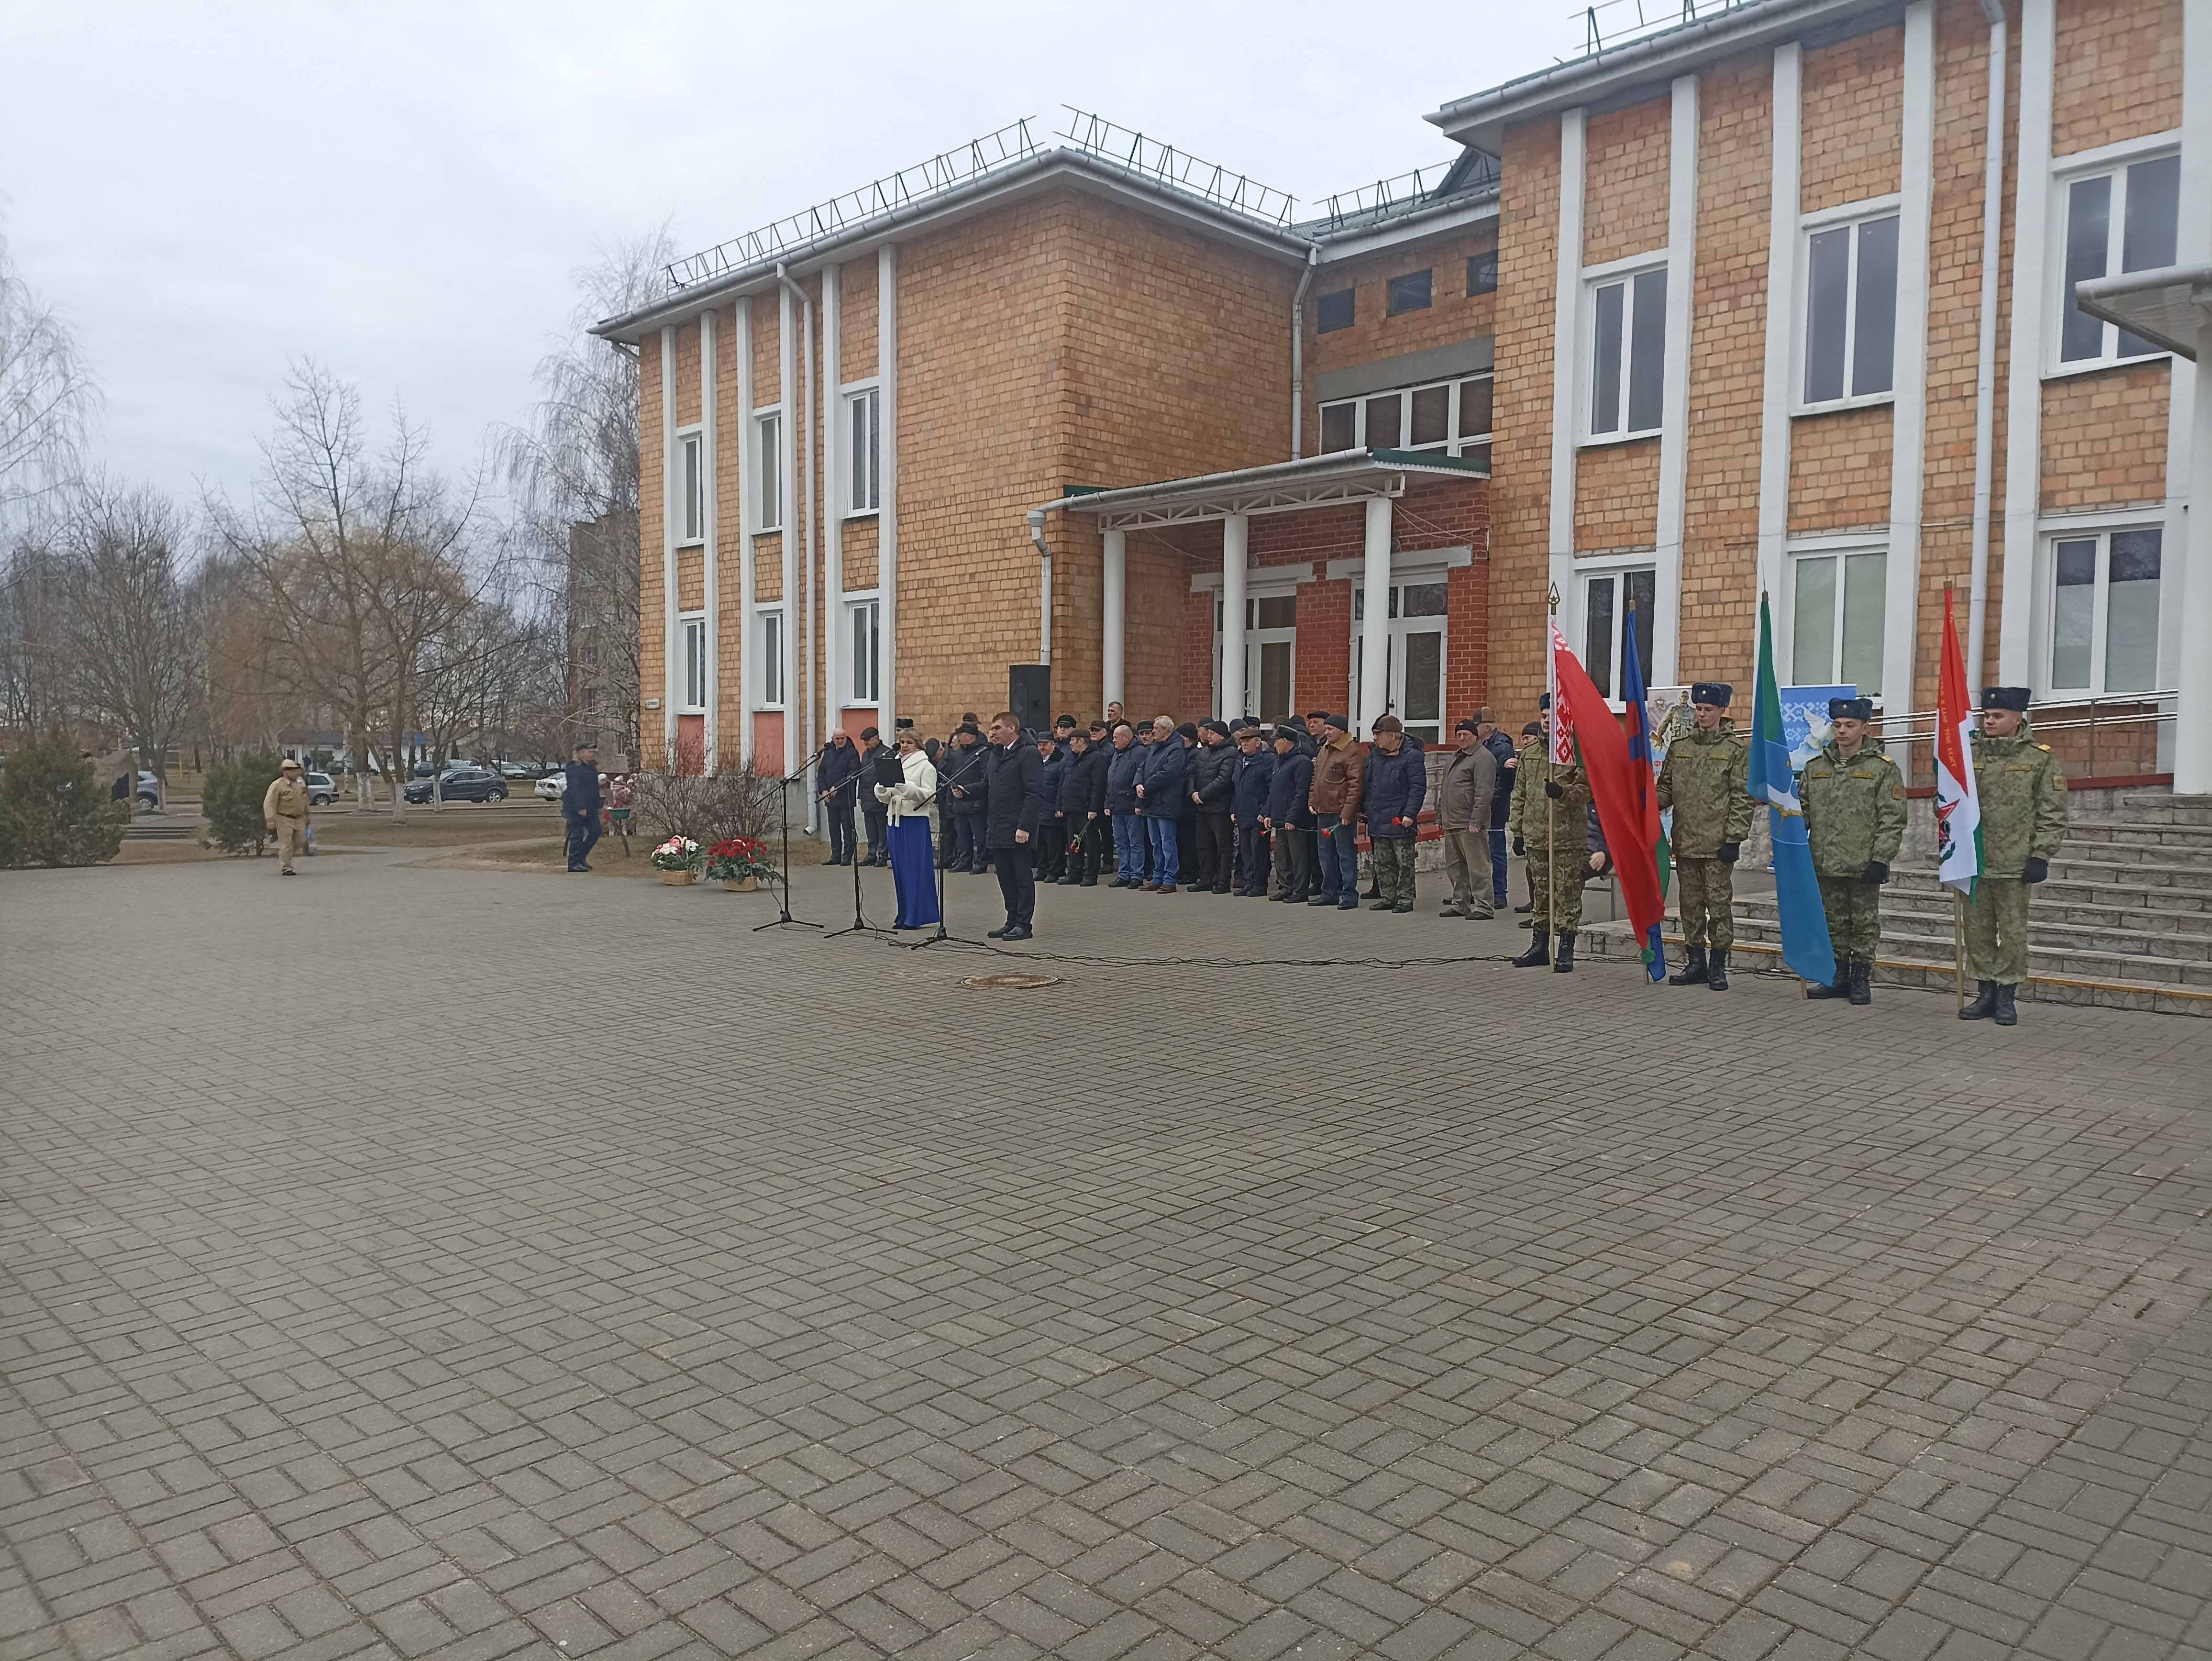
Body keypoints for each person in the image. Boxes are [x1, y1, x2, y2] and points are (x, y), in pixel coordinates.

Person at [1960, 687, 2068, 1026]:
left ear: (2018, 718)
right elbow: (1947, 799)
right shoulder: (1967, 755)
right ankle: (1985, 992)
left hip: (2015, 862)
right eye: (1986, 716)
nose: (1989, 721)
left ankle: (2007, 995)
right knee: (1976, 932)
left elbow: (2052, 811)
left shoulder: (2040, 758)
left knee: (2012, 934)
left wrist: (2041, 855)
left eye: (1998, 716)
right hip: (1975, 861)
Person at [1801, 697, 1906, 1006]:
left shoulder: (1882, 769)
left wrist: (1881, 859)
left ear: (1865, 728)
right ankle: (1838, 977)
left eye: (1850, 725)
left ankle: (1860, 979)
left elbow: (1893, 819)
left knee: (1863, 925)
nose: (1842, 731)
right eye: (1837, 725)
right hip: (1825, 862)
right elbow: (1801, 812)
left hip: (1863, 864)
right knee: (1832, 923)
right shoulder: (1816, 768)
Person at [1657, 683, 1752, 990]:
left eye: (1708, 710)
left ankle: (1718, 966)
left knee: (1719, 907)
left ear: (1722, 710)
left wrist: (1734, 838)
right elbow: (1666, 788)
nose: (1702, 715)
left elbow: (1742, 797)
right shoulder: (1680, 747)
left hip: (1717, 845)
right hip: (1686, 842)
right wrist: (1648, 801)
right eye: (1698, 709)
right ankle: (1695, 962)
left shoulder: (1735, 750)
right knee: (1690, 906)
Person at [1508, 699, 1608, 971]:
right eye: (1543, 715)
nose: (1546, 721)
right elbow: (1520, 794)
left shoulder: (1576, 753)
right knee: (1541, 894)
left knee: (1567, 894)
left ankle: (1565, 947)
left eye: (1552, 716)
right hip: (1536, 836)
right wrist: (1518, 831)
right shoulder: (1530, 753)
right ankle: (1540, 946)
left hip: (1566, 838)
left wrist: (1563, 793)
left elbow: (1586, 791)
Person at [981, 711, 1041, 939]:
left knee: (1022, 878)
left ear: (1012, 728)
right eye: (991, 729)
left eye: (997, 728)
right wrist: (965, 791)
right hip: (998, 826)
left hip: (1018, 828)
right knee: (1005, 877)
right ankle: (1011, 920)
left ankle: (1024, 924)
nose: (992, 733)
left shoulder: (1029, 753)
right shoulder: (996, 754)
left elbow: (1034, 793)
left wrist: (1025, 827)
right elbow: (987, 786)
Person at [874, 730, 941, 930]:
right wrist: (882, 791)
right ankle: (904, 914)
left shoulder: (926, 766)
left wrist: (909, 790)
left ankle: (916, 916)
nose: (904, 746)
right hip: (895, 820)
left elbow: (930, 795)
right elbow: (888, 794)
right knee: (900, 870)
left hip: (914, 821)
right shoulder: (895, 763)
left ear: (918, 745)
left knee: (914, 869)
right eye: (902, 742)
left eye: (909, 743)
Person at [1360, 715, 1427, 913]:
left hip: (1400, 819)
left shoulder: (1412, 757)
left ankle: (1405, 899)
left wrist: (1410, 814)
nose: (1375, 738)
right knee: (1382, 861)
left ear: (1392, 736)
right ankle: (1389, 897)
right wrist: (1365, 808)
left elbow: (1418, 788)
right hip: (1378, 816)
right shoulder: (1376, 756)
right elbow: (1369, 785)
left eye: (1378, 734)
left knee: (1404, 862)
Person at [1438, 717, 1499, 919]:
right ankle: (1460, 903)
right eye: (1459, 735)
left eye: (1466, 734)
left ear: (1475, 736)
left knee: (1478, 867)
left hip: (1470, 823)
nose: (1462, 738)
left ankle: (1485, 906)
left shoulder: (1483, 758)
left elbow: (1484, 792)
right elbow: (1445, 789)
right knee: (1455, 868)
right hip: (1452, 821)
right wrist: (1441, 816)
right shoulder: (1456, 757)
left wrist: (1476, 821)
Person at [1307, 714, 1367, 910]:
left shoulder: (1352, 752)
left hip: (1340, 814)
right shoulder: (1325, 749)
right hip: (1323, 811)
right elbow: (1315, 778)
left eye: (1330, 729)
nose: (1327, 733)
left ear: (1342, 730)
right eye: (1326, 729)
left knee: (1345, 855)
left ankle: (1349, 895)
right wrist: (1312, 801)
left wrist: (1348, 813)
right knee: (1325, 855)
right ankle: (1329, 893)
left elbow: (1356, 786)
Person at [1262, 725, 1314, 902]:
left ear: (1285, 741)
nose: (1274, 745)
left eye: (1277, 741)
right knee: (1281, 856)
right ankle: (1286, 887)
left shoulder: (1302, 762)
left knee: (1298, 856)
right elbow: (1274, 790)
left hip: (1295, 820)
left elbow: (1301, 792)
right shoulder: (1279, 761)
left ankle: (1300, 891)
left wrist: (1293, 817)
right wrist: (1268, 813)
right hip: (1279, 817)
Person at [1189, 719, 1237, 894]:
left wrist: (1202, 795)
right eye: (1207, 733)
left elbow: (1224, 780)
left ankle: (1223, 881)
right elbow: (1192, 773)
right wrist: (1193, 792)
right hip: (1201, 807)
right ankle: (1206, 879)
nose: (1208, 736)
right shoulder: (1203, 753)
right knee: (1203, 846)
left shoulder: (1230, 753)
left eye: (1212, 734)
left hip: (1219, 808)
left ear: (1222, 736)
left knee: (1223, 847)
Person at [1228, 725, 1275, 897]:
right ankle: (1249, 882)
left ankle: (1259, 885)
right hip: (1243, 813)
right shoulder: (1240, 760)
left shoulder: (1267, 760)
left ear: (1257, 742)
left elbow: (1272, 789)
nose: (1244, 744)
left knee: (1258, 852)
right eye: (1242, 741)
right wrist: (1234, 809)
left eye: (1248, 741)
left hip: (1259, 814)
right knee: (1246, 851)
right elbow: (1236, 787)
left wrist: (1266, 811)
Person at [1058, 727, 1107, 885]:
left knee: (1090, 843)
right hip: (1070, 807)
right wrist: (1060, 804)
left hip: (1086, 809)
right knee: (1073, 843)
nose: (1070, 744)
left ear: (1081, 741)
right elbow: (1063, 782)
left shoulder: (1097, 758)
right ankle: (1075, 873)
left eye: (1073, 741)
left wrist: (1093, 808)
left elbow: (1098, 785)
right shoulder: (1070, 758)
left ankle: (1091, 875)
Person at [1478, 710, 1515, 911]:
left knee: (1496, 853)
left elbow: (1505, 783)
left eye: (1477, 726)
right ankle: (1481, 892)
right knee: (1480, 852)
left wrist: (1490, 801)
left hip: (1495, 809)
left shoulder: (1502, 747)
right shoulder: (1483, 745)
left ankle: (1500, 894)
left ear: (1486, 727)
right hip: (1482, 808)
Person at [942, 724, 988, 874]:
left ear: (968, 736)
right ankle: (964, 861)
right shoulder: (958, 755)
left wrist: (980, 802)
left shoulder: (983, 753)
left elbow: (985, 779)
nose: (958, 738)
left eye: (960, 735)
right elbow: (952, 777)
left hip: (975, 802)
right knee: (962, 836)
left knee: (980, 836)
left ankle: (981, 863)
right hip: (959, 802)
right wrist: (950, 800)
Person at [1106, 722, 1146, 888]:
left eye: (1117, 737)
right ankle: (1124, 874)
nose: (1114, 740)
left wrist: (1139, 803)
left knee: (1135, 843)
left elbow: (1141, 778)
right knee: (1121, 843)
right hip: (1117, 807)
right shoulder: (1117, 754)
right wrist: (1108, 803)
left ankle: (1137, 875)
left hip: (1131, 806)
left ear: (1127, 738)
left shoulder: (1140, 753)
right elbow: (1111, 780)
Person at [262, 758, 313, 876]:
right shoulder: (277, 785)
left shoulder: (301, 783)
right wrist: (270, 819)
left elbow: (305, 799)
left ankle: (284, 856)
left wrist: (307, 814)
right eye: (292, 771)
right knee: (286, 843)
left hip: (299, 817)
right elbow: (269, 802)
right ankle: (286, 867)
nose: (295, 773)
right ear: (285, 772)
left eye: (296, 770)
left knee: (302, 840)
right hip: (284, 817)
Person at [818, 729, 861, 865]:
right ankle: (835, 855)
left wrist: (837, 787)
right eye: (838, 739)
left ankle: (847, 855)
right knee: (834, 828)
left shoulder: (852, 752)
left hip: (845, 796)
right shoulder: (829, 752)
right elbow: (821, 772)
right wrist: (823, 790)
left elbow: (853, 773)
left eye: (843, 738)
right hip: (830, 798)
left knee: (848, 828)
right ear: (833, 739)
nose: (841, 741)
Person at [1032, 731, 1069, 883]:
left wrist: (1058, 807)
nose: (1042, 748)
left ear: (1053, 745)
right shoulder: (1036, 762)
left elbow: (1062, 787)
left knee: (1054, 844)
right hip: (1038, 809)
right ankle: (1042, 869)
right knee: (1040, 843)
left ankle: (1055, 870)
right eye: (1039, 745)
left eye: (1045, 745)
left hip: (1052, 808)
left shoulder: (1060, 763)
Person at [562, 742, 603, 872]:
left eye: (592, 752)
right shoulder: (574, 768)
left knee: (596, 831)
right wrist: (580, 807)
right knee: (577, 835)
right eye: (589, 752)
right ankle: (573, 863)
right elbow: (575, 789)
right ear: (580, 753)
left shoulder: (591, 767)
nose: (592, 754)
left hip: (591, 806)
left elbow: (592, 788)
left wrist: (599, 805)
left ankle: (580, 858)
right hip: (576, 807)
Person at [856, 727, 891, 866]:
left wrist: (886, 797)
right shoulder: (865, 754)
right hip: (867, 798)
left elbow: (888, 777)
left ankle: (883, 856)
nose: (866, 743)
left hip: (880, 798)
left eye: (868, 740)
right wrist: (860, 795)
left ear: (876, 738)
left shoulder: (886, 753)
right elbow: (862, 776)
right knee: (870, 830)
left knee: (882, 830)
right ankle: (871, 854)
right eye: (864, 741)